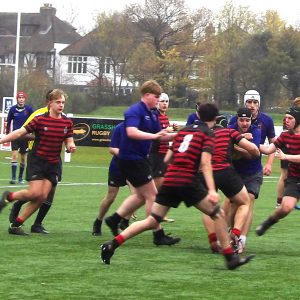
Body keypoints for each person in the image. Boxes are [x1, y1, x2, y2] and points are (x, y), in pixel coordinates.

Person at [100, 103, 255, 270]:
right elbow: (205, 162)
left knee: (152, 220)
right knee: (217, 214)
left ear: (199, 116)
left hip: (171, 178)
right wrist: (211, 190)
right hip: (187, 180)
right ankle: (230, 258)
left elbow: (168, 159)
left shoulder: (184, 131)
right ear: (214, 119)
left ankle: (111, 245)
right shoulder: (208, 134)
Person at [104, 80, 180, 246]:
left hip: (138, 159)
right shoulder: (134, 111)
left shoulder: (152, 113)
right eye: (156, 97)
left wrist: (180, 135)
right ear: (146, 95)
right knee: (152, 195)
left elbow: (160, 136)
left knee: (140, 196)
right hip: (131, 159)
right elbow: (132, 132)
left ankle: (114, 219)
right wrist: (154, 136)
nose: (159, 100)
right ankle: (158, 234)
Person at [0, 89, 76, 236]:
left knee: (42, 197)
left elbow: (69, 140)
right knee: (34, 193)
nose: (61, 105)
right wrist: (2, 140)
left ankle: (16, 225)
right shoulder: (40, 119)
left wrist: (70, 146)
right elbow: (20, 132)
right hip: (37, 160)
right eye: (58, 102)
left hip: (53, 163)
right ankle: (8, 196)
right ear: (50, 103)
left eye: (63, 102)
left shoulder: (67, 122)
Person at [202, 108, 260, 254]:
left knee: (209, 207)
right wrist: (238, 149)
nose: (244, 122)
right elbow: (254, 150)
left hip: (205, 172)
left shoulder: (204, 133)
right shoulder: (229, 132)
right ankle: (234, 234)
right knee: (244, 201)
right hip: (225, 171)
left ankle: (214, 241)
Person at [256, 106, 300, 236]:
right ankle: (268, 222)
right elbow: (269, 149)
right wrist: (247, 142)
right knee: (286, 207)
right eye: (285, 118)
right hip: (295, 179)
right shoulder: (285, 136)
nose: (286, 120)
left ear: (298, 120)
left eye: (290, 118)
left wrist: (286, 157)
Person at [226, 107, 263, 253]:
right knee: (233, 203)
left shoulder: (256, 131)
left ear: (251, 120)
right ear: (236, 119)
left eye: (247, 120)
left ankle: (242, 239)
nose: (244, 123)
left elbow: (251, 155)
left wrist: (234, 146)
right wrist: (241, 142)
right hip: (236, 173)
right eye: (241, 120)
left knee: (249, 200)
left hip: (253, 173)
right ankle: (229, 235)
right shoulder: (230, 128)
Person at [92, 122, 134, 236]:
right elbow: (112, 149)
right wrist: (126, 154)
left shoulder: (142, 128)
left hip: (135, 167)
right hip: (118, 166)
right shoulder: (120, 128)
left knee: (138, 195)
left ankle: (124, 221)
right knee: (110, 197)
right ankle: (98, 221)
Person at [229, 90, 276, 176]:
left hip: (254, 168)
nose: (252, 105)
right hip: (235, 167)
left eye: (255, 102)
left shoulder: (267, 120)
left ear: (259, 104)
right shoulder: (234, 120)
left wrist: (269, 164)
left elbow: (273, 144)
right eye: (249, 102)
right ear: (245, 103)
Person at [149, 92, 178, 223]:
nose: (165, 104)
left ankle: (158, 214)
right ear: (157, 103)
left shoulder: (165, 117)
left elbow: (165, 131)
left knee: (161, 186)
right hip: (156, 155)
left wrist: (171, 128)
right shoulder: (155, 116)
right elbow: (157, 136)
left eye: (166, 101)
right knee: (157, 187)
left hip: (164, 155)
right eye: (162, 101)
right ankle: (155, 215)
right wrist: (170, 130)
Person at [275, 96, 300, 208]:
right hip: (287, 145)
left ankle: (291, 197)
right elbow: (287, 131)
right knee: (285, 175)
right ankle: (279, 202)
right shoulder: (291, 116)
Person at [5, 91, 33, 184]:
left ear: (25, 99)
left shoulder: (28, 109)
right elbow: (8, 122)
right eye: (19, 98)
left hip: (25, 137)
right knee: (14, 156)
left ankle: (20, 178)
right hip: (15, 136)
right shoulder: (13, 109)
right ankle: (13, 178)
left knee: (23, 158)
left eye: (23, 98)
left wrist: (32, 133)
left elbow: (33, 121)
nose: (21, 99)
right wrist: (7, 134)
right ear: (17, 99)